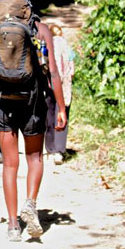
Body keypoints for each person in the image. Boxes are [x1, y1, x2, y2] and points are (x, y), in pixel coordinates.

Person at [0, 0, 67, 242]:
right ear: (28, 3)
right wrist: (61, 108)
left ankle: (12, 225)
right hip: (33, 104)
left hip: (3, 105)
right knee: (34, 158)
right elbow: (53, 71)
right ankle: (30, 204)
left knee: (9, 164)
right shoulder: (41, 30)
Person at [46, 24, 75, 164]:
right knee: (62, 115)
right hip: (63, 86)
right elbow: (72, 70)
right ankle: (59, 151)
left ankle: (50, 149)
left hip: (48, 85)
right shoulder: (67, 48)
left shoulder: (46, 47)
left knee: (48, 115)